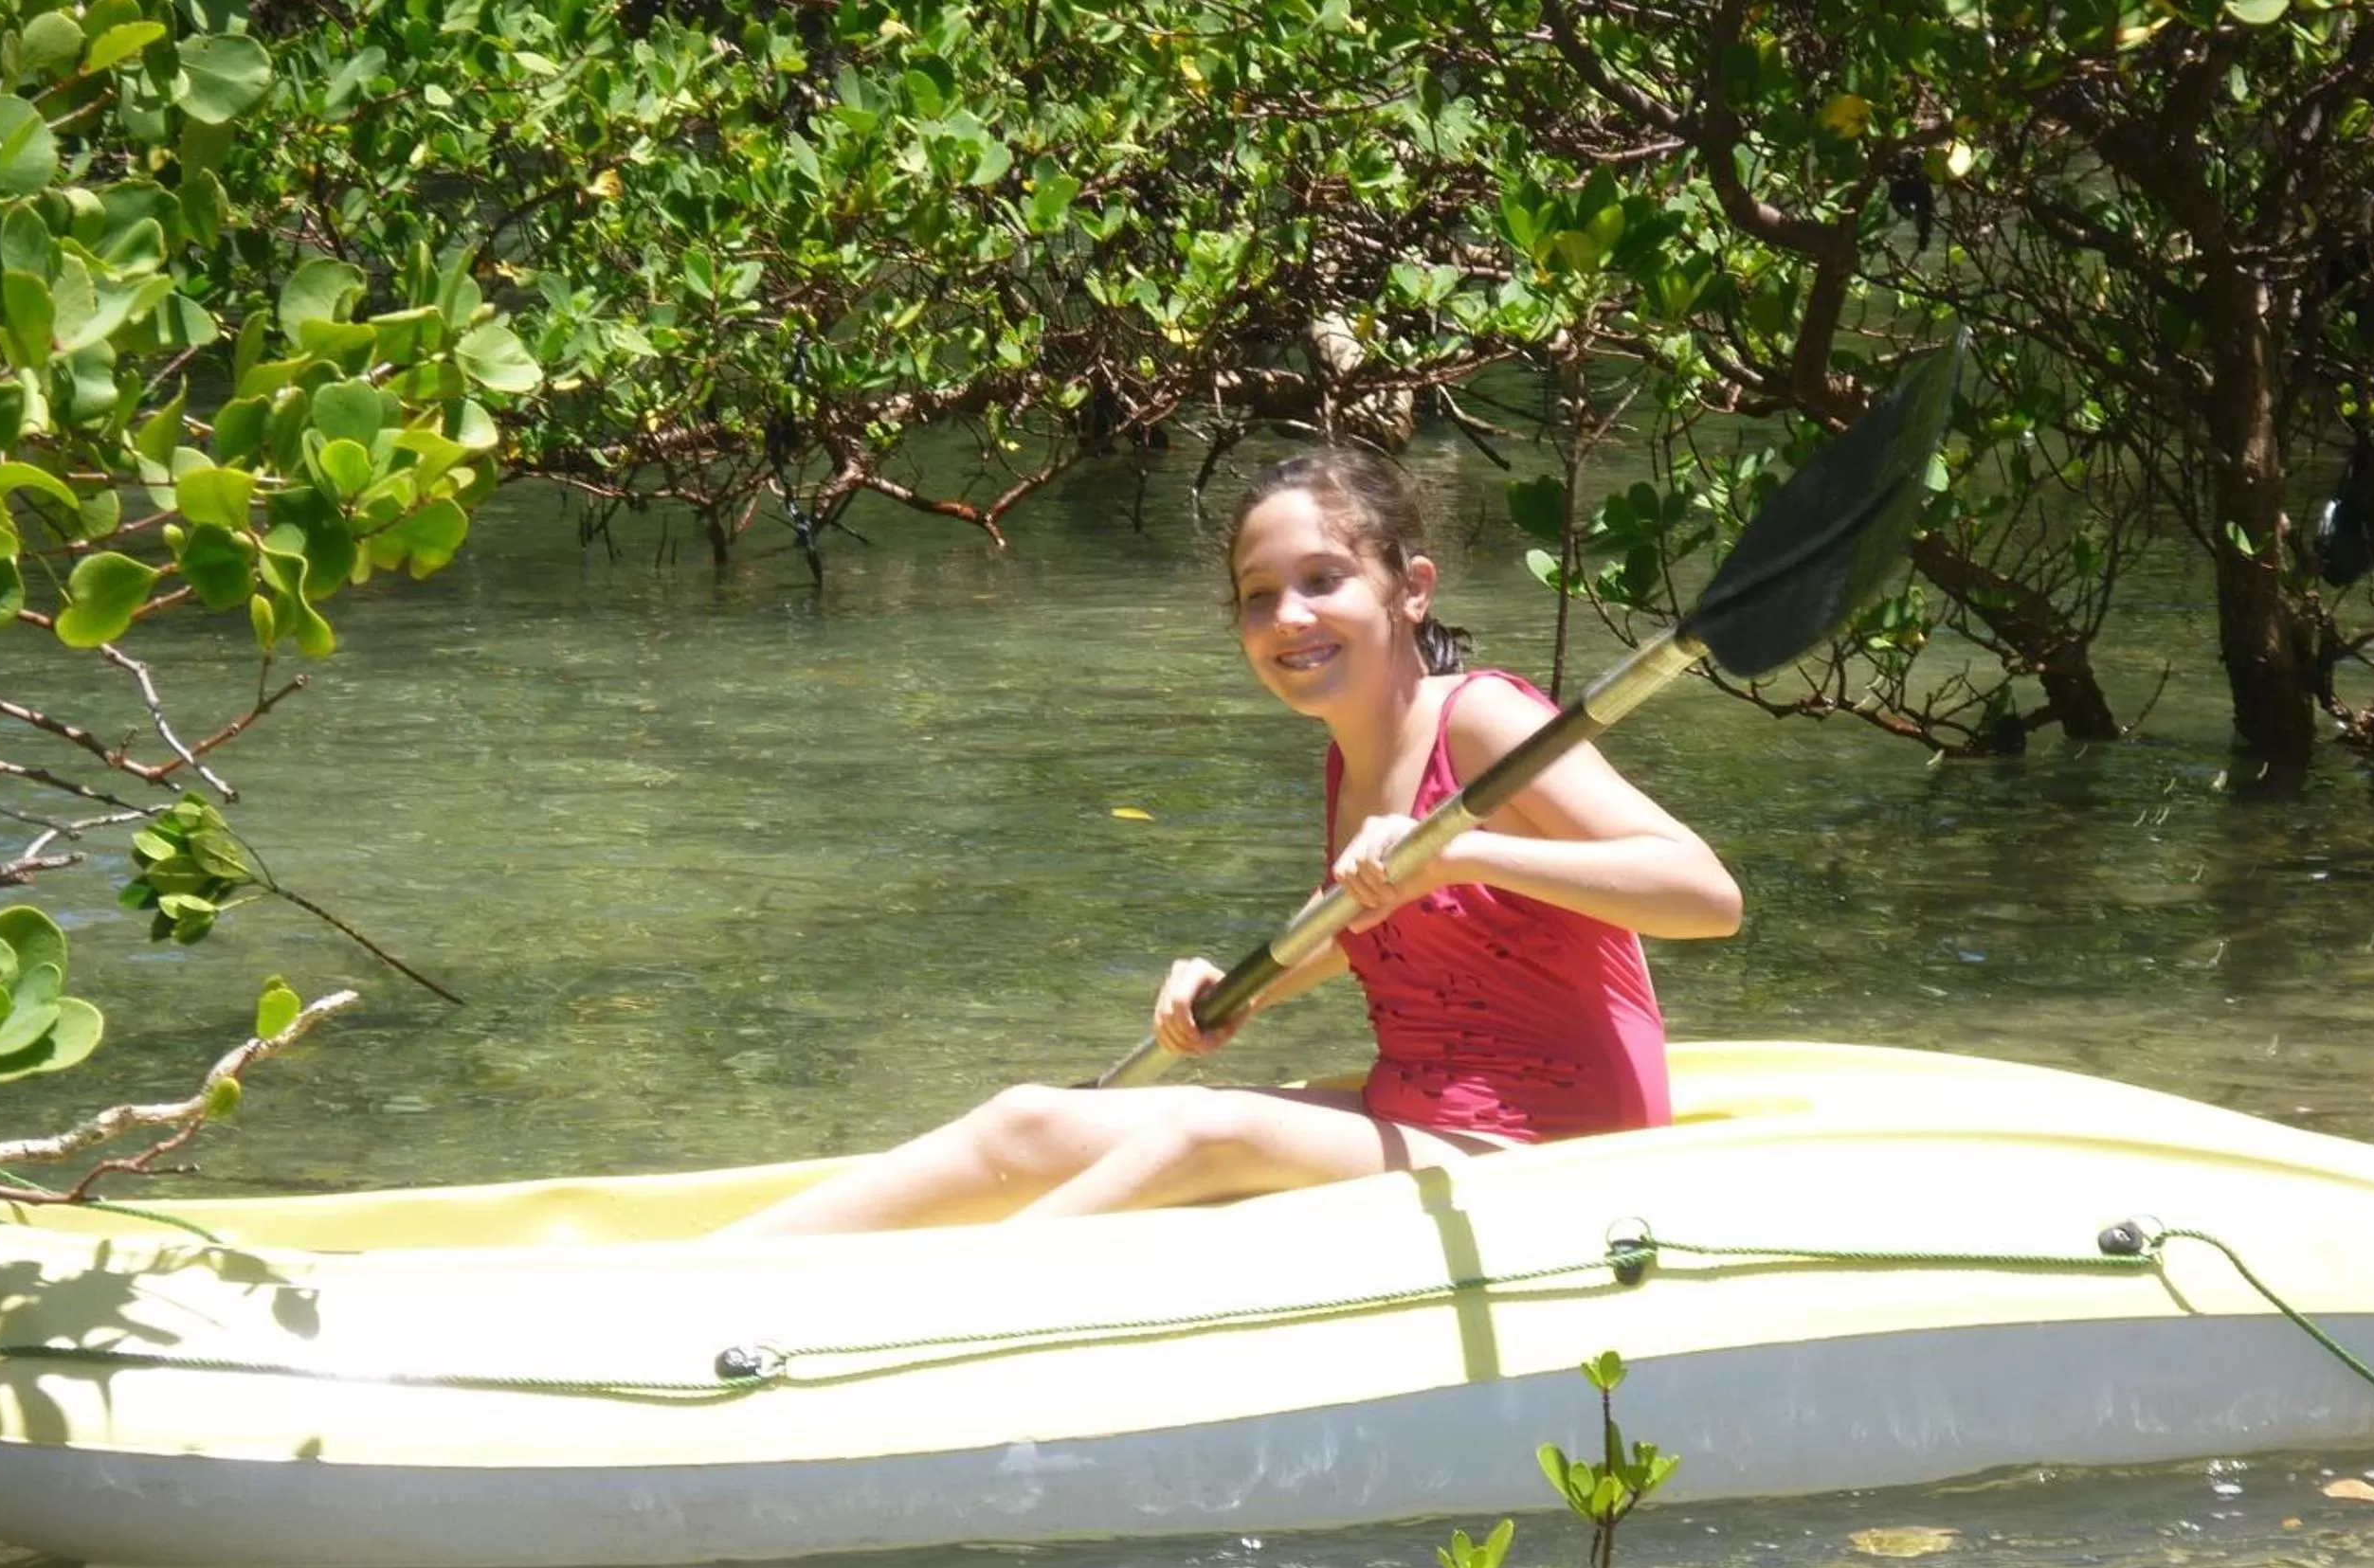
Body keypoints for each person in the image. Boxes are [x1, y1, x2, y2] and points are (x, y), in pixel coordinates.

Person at [728, 446, 1741, 1235]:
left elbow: (1703, 897)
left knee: (1212, 1129)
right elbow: (1370, 924)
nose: (1287, 616)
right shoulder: (1348, 760)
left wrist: (1466, 849)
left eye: (1323, 578)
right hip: (1420, 1109)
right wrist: (1236, 993)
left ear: (1411, 587)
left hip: (1557, 1147)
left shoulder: (1484, 722)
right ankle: (699, 1272)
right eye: (1259, 594)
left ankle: (902, 1319)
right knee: (1028, 1118)